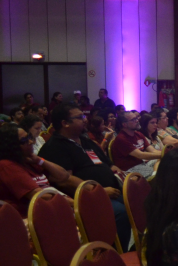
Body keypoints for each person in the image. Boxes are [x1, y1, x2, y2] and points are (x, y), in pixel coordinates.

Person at [38, 103, 131, 251]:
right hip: (85, 197)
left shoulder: (85, 141)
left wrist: (119, 174)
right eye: (80, 117)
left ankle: (138, 250)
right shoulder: (55, 147)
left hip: (112, 189)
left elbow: (108, 164)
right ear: (65, 123)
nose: (85, 119)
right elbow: (65, 181)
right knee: (120, 212)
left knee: (141, 202)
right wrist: (98, 191)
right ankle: (112, 255)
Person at [0, 124, 71, 217]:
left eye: (29, 137)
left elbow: (63, 176)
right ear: (11, 146)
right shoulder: (6, 166)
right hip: (31, 218)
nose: (31, 141)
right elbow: (40, 196)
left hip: (52, 209)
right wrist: (76, 203)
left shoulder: (28, 160)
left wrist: (39, 160)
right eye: (24, 140)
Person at [111, 111, 161, 178]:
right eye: (133, 119)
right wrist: (163, 154)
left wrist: (165, 154)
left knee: (167, 162)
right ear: (124, 124)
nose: (137, 120)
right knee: (161, 171)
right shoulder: (121, 138)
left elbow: (153, 151)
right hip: (130, 169)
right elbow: (141, 155)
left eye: (137, 118)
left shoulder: (138, 134)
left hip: (142, 164)